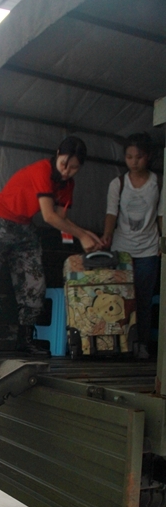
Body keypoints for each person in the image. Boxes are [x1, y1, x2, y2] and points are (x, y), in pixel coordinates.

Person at [0, 136, 101, 358]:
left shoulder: (67, 185)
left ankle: (25, 340)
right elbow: (49, 217)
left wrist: (88, 234)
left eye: (74, 168)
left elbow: (62, 218)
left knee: (35, 284)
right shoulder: (42, 170)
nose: (67, 171)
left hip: (24, 227)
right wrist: (82, 235)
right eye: (64, 163)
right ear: (57, 154)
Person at [101, 133, 163, 360]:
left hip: (148, 249)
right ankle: (120, 344)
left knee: (143, 299)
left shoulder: (159, 182)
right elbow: (111, 213)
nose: (134, 161)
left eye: (139, 156)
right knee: (119, 298)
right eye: (129, 157)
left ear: (148, 156)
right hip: (122, 249)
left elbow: (161, 215)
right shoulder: (117, 183)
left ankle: (142, 344)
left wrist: (163, 241)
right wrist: (107, 236)